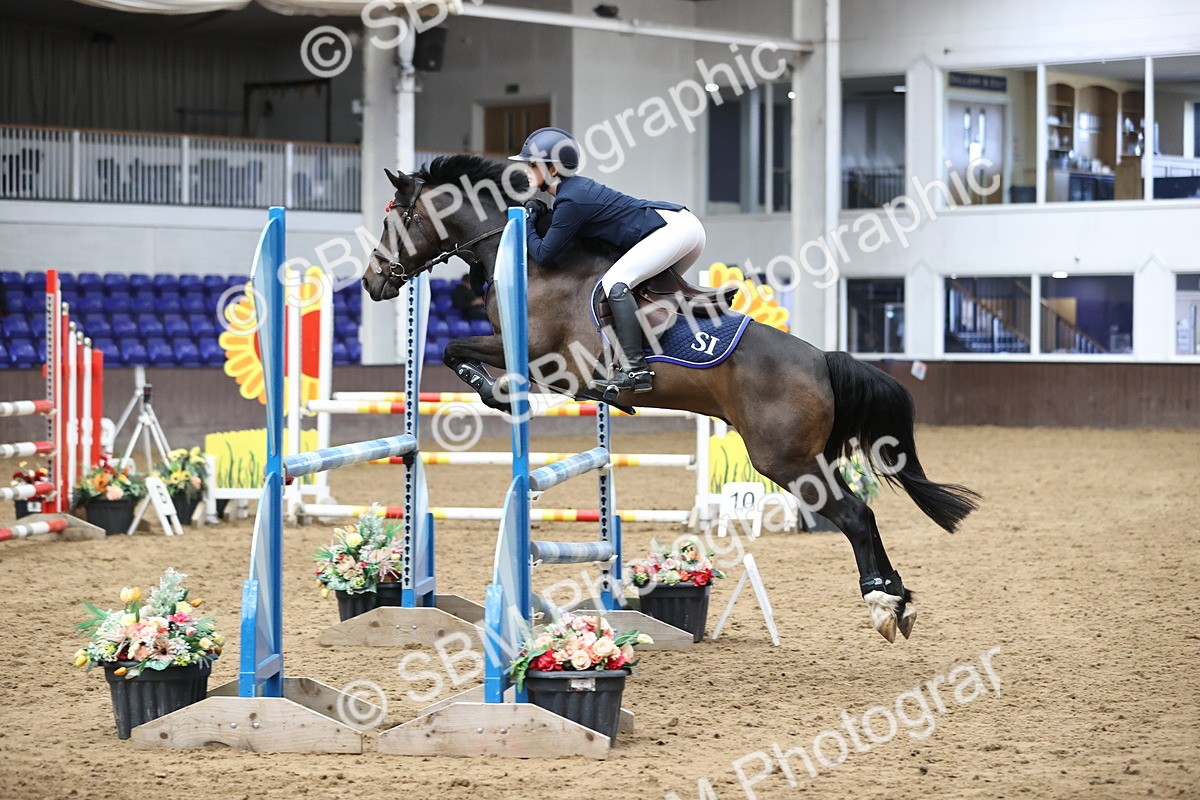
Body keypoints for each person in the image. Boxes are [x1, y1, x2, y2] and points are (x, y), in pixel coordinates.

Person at [509, 126, 706, 394]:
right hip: (682, 228)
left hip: (674, 229)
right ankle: (645, 357)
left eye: (532, 165)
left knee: (616, 282)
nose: (526, 171)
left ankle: (636, 370)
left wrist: (528, 221)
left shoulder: (571, 200)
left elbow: (543, 254)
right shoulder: (573, 194)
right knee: (640, 293)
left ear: (553, 170)